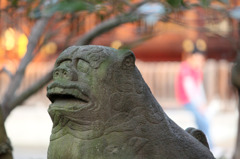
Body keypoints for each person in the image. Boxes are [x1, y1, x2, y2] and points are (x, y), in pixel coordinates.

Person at [175, 39, 212, 147]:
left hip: (195, 102)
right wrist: (199, 105)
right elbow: (190, 89)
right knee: (203, 121)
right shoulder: (185, 68)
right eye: (199, 58)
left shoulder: (197, 70)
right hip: (187, 101)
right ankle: (210, 146)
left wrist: (203, 103)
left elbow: (199, 89)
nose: (201, 60)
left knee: (205, 118)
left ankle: (208, 144)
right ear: (193, 57)